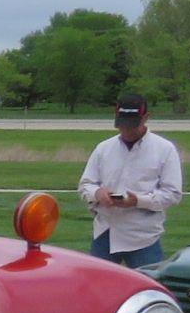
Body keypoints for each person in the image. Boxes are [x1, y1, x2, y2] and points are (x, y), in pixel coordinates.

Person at [78, 94, 183, 267]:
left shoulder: (165, 149)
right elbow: (85, 184)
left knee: (149, 289)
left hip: (143, 237)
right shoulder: (104, 148)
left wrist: (138, 201)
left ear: (146, 118)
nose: (127, 130)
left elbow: (172, 194)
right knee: (97, 289)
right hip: (105, 232)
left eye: (132, 125)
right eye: (122, 125)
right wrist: (98, 193)